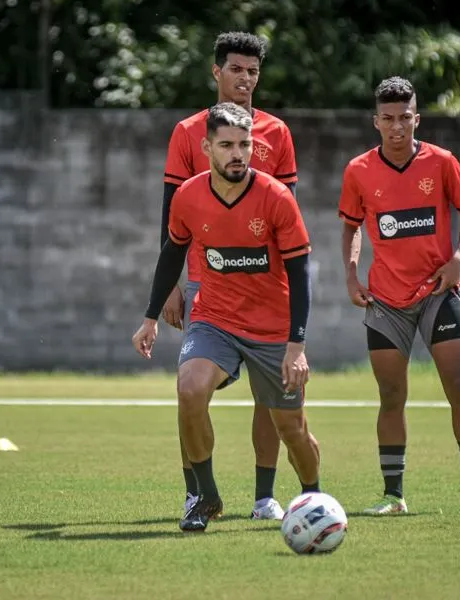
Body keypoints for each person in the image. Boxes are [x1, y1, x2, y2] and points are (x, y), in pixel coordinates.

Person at [133, 102, 321, 532]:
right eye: (227, 145)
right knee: (190, 388)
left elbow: (299, 274)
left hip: (273, 329)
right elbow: (171, 255)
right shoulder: (189, 196)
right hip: (214, 319)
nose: (237, 153)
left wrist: (297, 346)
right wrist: (150, 318)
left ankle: (316, 496)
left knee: (294, 432)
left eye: (244, 144)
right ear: (208, 147)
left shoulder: (276, 198)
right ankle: (205, 496)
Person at [338, 76, 460, 516]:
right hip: (386, 300)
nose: (397, 127)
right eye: (388, 119)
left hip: (438, 292)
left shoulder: (442, 162)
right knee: (391, 395)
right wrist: (352, 276)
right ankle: (393, 495)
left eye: (405, 118)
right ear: (376, 122)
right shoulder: (358, 170)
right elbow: (351, 227)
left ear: (417, 118)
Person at [159, 31, 299, 520]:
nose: (245, 78)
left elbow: (288, 219)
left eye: (253, 71)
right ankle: (197, 492)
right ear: (215, 72)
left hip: (266, 290)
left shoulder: (277, 135)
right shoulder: (187, 133)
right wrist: (172, 286)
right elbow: (170, 220)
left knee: (270, 395)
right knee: (190, 390)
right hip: (204, 284)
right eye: (236, 69)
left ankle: (265, 496)